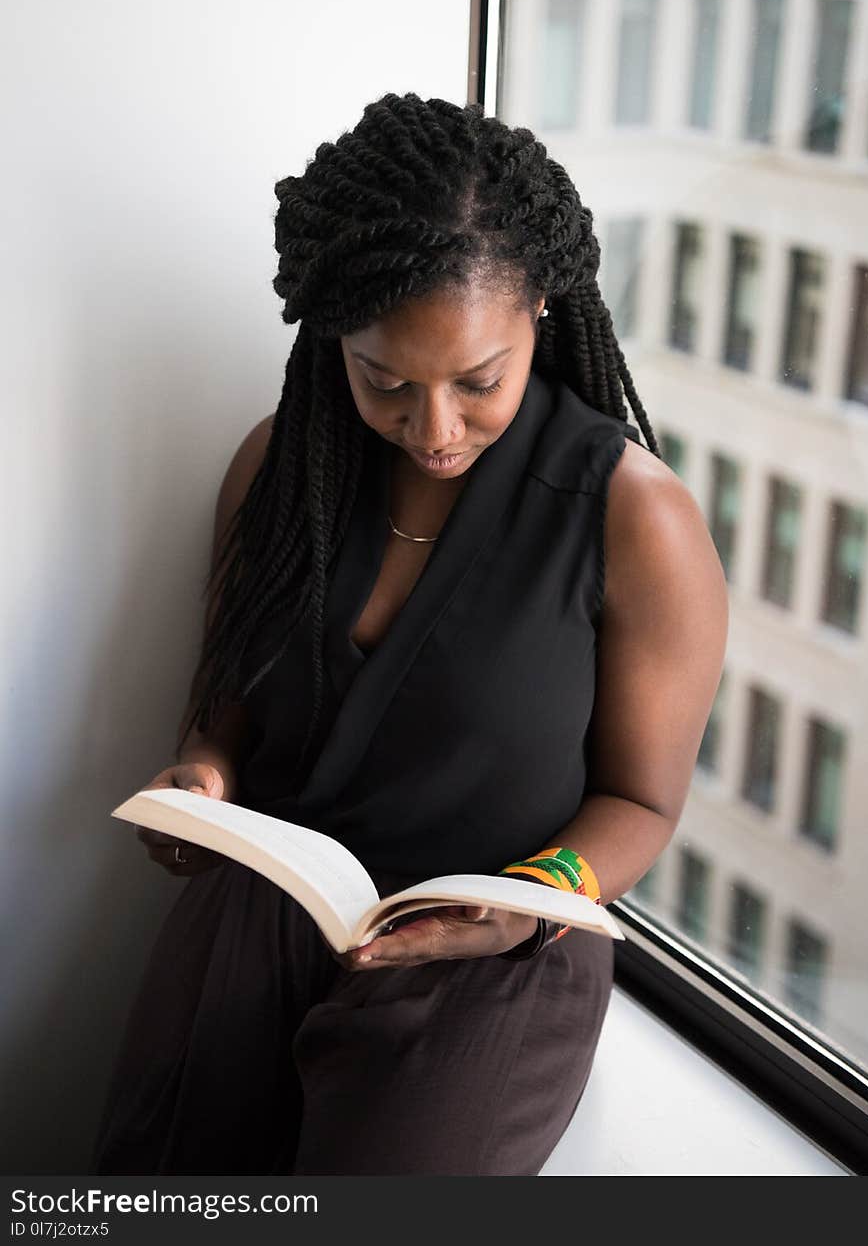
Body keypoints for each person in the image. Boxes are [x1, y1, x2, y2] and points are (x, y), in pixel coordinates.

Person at [89, 91, 728, 1176]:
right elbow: (231, 691)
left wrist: (536, 902)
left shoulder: (635, 515)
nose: (433, 428)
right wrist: (204, 770)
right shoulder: (283, 465)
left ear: (537, 305)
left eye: (476, 382)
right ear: (334, 334)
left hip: (497, 948)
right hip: (278, 899)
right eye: (385, 379)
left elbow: (642, 800)